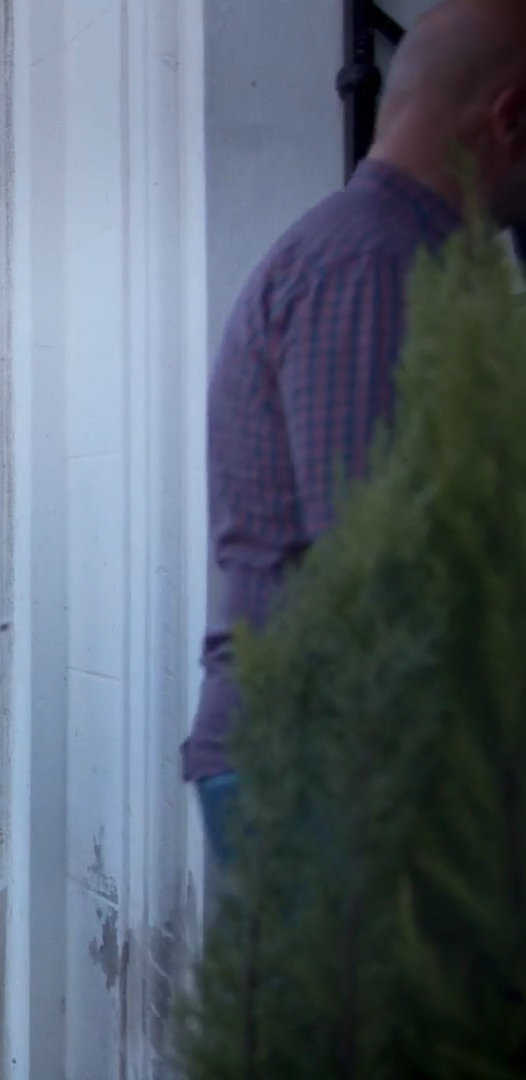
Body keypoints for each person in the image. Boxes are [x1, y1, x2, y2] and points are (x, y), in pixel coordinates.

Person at [184, 0, 526, 890]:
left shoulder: (400, 260)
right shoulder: (377, 265)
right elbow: (383, 573)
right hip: (332, 780)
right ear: (512, 118)